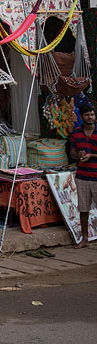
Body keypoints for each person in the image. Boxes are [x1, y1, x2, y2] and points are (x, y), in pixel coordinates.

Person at [68, 104, 97, 248]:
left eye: (92, 114)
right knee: (83, 209)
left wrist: (92, 155)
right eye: (87, 115)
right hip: (82, 176)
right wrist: (78, 155)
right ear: (81, 117)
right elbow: (72, 153)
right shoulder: (76, 133)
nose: (90, 117)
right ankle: (85, 239)